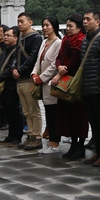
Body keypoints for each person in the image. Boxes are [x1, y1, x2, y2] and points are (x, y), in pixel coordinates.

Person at [49, 14, 89, 160]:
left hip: (75, 82)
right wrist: (59, 67)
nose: (68, 29)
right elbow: (59, 57)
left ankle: (80, 145)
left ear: (79, 27)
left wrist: (61, 71)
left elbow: (76, 59)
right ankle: (73, 145)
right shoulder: (65, 40)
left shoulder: (81, 41)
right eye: (67, 26)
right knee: (67, 116)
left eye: (71, 26)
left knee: (79, 116)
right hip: (64, 80)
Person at [80, 9, 100, 166]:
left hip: (97, 88)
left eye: (88, 19)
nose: (85, 22)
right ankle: (98, 151)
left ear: (97, 22)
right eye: (84, 19)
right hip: (86, 88)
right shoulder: (85, 40)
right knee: (94, 122)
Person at [14, 12, 44, 149]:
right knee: (26, 110)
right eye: (18, 21)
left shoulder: (36, 38)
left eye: (22, 21)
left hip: (29, 78)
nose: (20, 24)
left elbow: (33, 57)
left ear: (30, 22)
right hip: (20, 79)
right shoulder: (20, 37)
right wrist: (14, 68)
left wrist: (20, 70)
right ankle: (30, 134)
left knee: (33, 110)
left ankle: (37, 136)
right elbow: (15, 55)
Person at [33, 17, 62, 154]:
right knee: (48, 113)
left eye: (47, 25)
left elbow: (54, 65)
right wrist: (34, 74)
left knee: (54, 115)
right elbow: (38, 61)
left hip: (51, 83)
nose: (44, 28)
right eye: (43, 25)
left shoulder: (58, 43)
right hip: (42, 82)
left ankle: (55, 143)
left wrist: (42, 78)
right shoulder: (44, 42)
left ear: (54, 27)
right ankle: (51, 142)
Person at [0, 26, 25, 146]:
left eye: (8, 35)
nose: (5, 37)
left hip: (12, 85)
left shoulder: (16, 51)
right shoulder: (5, 50)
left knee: (14, 111)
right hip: (3, 85)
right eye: (5, 35)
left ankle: (17, 136)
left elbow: (9, 69)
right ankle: (10, 135)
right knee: (7, 111)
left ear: (16, 38)